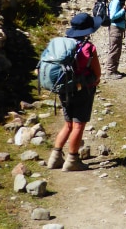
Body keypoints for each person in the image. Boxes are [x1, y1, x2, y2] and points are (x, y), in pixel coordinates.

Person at [47, 12, 103, 171]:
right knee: (78, 125)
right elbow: (97, 73)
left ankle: (55, 157)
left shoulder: (62, 44)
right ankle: (72, 160)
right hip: (82, 90)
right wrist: (95, 80)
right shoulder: (89, 48)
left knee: (68, 124)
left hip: (63, 89)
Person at [105, 0, 126, 80]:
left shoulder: (118, 0)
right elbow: (112, 16)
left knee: (117, 49)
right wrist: (123, 10)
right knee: (114, 49)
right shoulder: (117, 1)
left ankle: (113, 70)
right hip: (116, 28)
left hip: (118, 28)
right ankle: (110, 72)